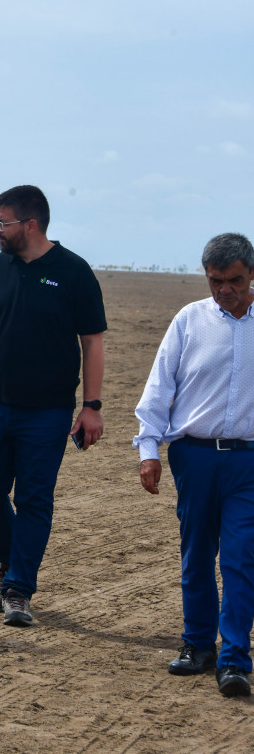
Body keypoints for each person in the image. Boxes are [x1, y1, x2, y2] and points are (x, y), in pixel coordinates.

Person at [0, 185, 106, 627]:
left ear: (30, 225)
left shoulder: (74, 272)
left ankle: (18, 588)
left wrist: (90, 405)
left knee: (34, 499)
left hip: (48, 411)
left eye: (3, 221)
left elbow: (92, 342)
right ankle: (10, 559)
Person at [134, 232, 254, 698]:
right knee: (197, 553)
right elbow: (159, 389)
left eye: (235, 280)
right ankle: (198, 644)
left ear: (251, 274)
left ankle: (235, 658)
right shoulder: (189, 320)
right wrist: (149, 451)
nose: (225, 290)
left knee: (243, 558)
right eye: (215, 281)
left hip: (249, 462)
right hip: (195, 457)